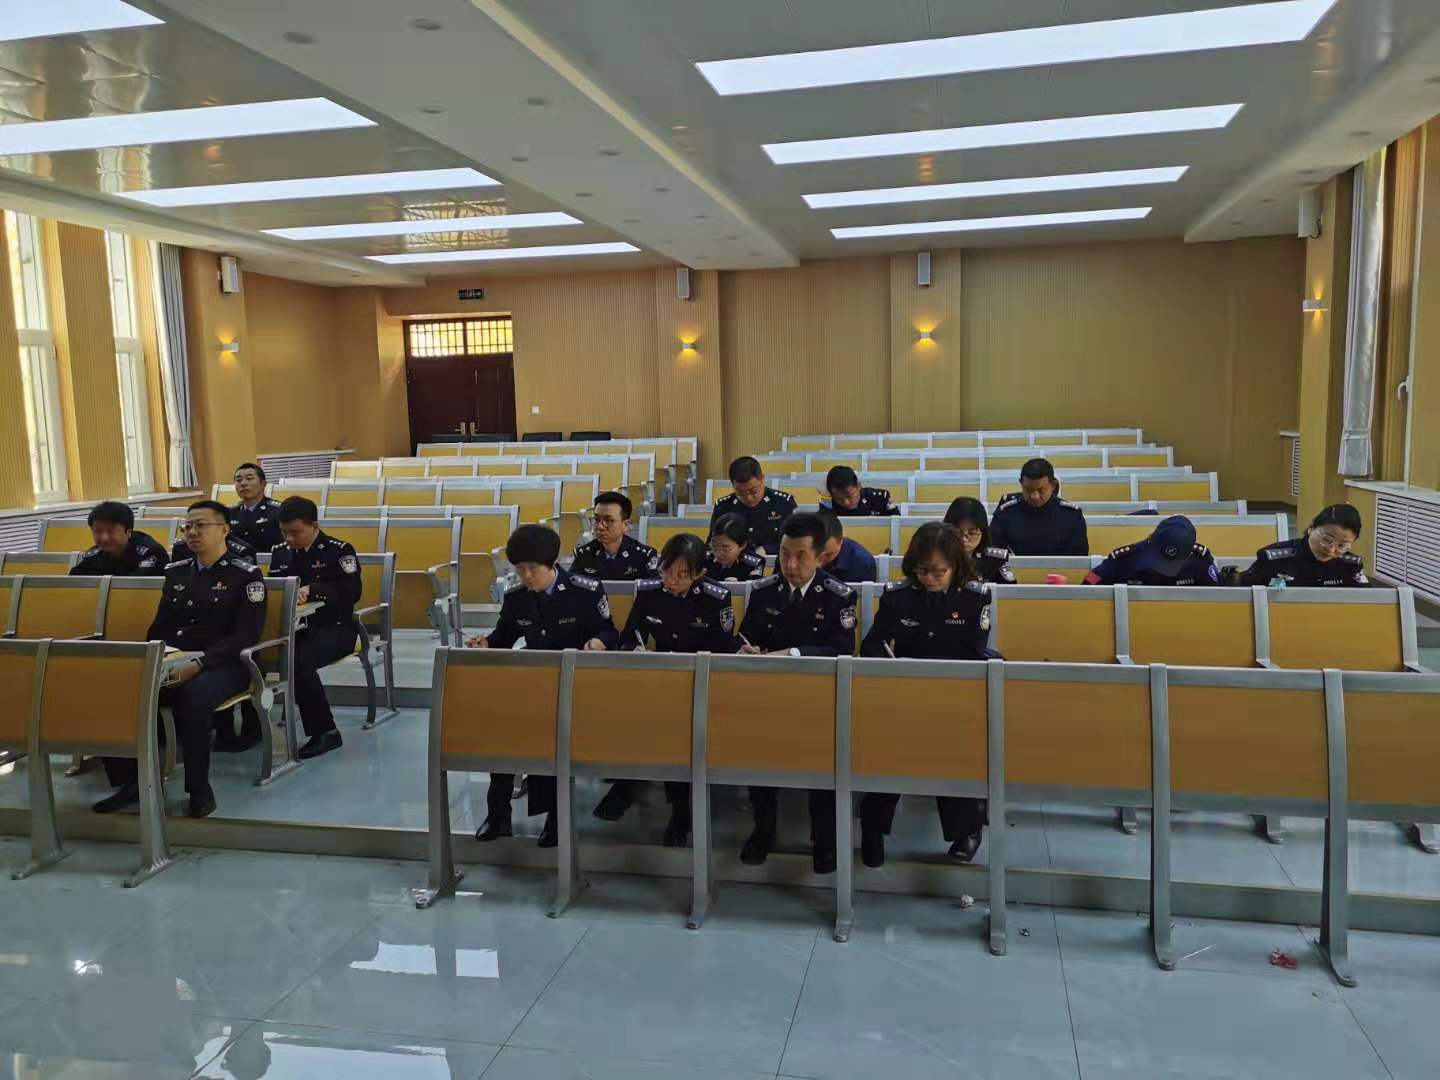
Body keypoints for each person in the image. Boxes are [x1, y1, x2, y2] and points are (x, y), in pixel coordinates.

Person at [93, 501, 265, 819]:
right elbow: (160, 627)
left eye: (201, 525)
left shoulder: (245, 575)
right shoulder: (177, 572)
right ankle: (132, 782)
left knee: (194, 697)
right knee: (115, 690)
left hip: (227, 665)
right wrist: (161, 659)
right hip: (177, 661)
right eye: (188, 526)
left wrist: (198, 665)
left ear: (224, 530)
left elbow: (245, 636)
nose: (192, 532)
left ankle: (198, 789)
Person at [465, 524, 619, 848]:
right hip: (535, 685)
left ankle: (555, 817)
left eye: (531, 568)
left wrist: (598, 642)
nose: (525, 576)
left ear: (551, 564)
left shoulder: (584, 591)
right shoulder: (516, 598)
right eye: (518, 569)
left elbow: (609, 632)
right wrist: (486, 644)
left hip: (577, 687)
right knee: (502, 734)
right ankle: (498, 813)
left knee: (549, 734)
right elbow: (503, 637)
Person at [859, 523, 993, 867]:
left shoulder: (975, 597)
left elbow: (974, 652)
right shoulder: (897, 596)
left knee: (954, 753)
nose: (929, 578)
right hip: (902, 694)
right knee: (888, 755)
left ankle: (967, 830)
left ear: (956, 567)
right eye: (922, 571)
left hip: (954, 696)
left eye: (938, 572)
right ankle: (873, 829)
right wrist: (891, 665)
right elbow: (872, 644)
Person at [737, 512, 858, 873]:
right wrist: (746, 650)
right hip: (768, 697)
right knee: (760, 763)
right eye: (784, 554)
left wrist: (791, 653)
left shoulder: (837, 596)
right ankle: (763, 830)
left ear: (820, 557)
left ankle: (824, 841)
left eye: (800, 556)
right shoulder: (763, 592)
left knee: (822, 767)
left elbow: (842, 649)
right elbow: (745, 636)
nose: (790, 565)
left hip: (819, 700)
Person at [603, 534, 741, 845]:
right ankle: (627, 783)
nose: (672, 580)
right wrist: (636, 650)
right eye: (666, 570)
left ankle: (679, 811)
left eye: (682, 575)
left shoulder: (716, 597)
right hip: (659, 679)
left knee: (674, 728)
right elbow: (630, 635)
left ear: (700, 574)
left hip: (702, 685)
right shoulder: (649, 591)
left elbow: (721, 647)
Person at [268, 496, 363, 760]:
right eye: (284, 532)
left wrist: (314, 590)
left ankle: (326, 731)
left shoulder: (339, 550)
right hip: (294, 628)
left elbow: (351, 592)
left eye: (295, 532)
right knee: (257, 652)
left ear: (314, 526)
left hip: (336, 628)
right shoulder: (280, 551)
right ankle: (251, 728)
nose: (289, 539)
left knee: (298, 660)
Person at [1238, 503, 1369, 587]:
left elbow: (1367, 604)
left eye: (1342, 546)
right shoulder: (1274, 559)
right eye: (1327, 539)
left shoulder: (1350, 566)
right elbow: (1241, 596)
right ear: (1311, 528)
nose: (1331, 549)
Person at [989, 458, 1088, 556]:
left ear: (1053, 485)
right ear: (1021, 484)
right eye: (1028, 490)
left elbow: (1079, 558)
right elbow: (993, 550)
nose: (1034, 496)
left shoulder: (1071, 515)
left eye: (1041, 490)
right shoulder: (1006, 513)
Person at [1084, 515, 1219, 585]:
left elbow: (1216, 598)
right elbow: (1092, 579)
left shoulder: (1200, 561)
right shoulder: (1126, 558)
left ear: (1189, 553)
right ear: (1150, 539)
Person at [709, 456, 797, 555]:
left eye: (753, 491)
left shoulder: (783, 502)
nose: (748, 498)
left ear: (762, 480)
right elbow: (712, 543)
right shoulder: (723, 506)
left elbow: (794, 542)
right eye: (740, 493)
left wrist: (767, 549)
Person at [569, 491, 659, 581]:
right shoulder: (584, 555)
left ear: (626, 525)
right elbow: (570, 586)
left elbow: (654, 588)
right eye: (596, 519)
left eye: (609, 520)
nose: (600, 526)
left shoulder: (644, 557)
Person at [70, 501, 168, 576]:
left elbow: (132, 588)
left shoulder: (151, 553)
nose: (104, 538)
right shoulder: (95, 555)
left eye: (111, 532)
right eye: (98, 531)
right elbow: (75, 582)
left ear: (128, 532)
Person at [943, 497, 1015, 584]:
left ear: (983, 533)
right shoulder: (937, 557)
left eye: (972, 533)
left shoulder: (995, 561)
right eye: (957, 532)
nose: (963, 539)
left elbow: (1009, 590)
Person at [229, 463, 283, 553]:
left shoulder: (278, 511)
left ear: (263, 484)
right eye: (238, 480)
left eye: (249, 478)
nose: (243, 483)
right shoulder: (229, 513)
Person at [818, 510, 878, 584]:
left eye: (828, 555)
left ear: (841, 541)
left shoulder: (863, 564)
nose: (820, 561)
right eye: (817, 553)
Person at [703, 512, 766, 582]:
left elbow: (754, 587)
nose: (719, 553)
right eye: (715, 546)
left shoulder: (754, 563)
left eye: (726, 548)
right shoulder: (704, 558)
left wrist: (739, 585)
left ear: (742, 545)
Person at [822, 465, 898, 517]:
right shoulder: (828, 506)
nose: (846, 502)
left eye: (850, 496)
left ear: (859, 486)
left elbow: (898, 525)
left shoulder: (879, 499)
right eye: (839, 499)